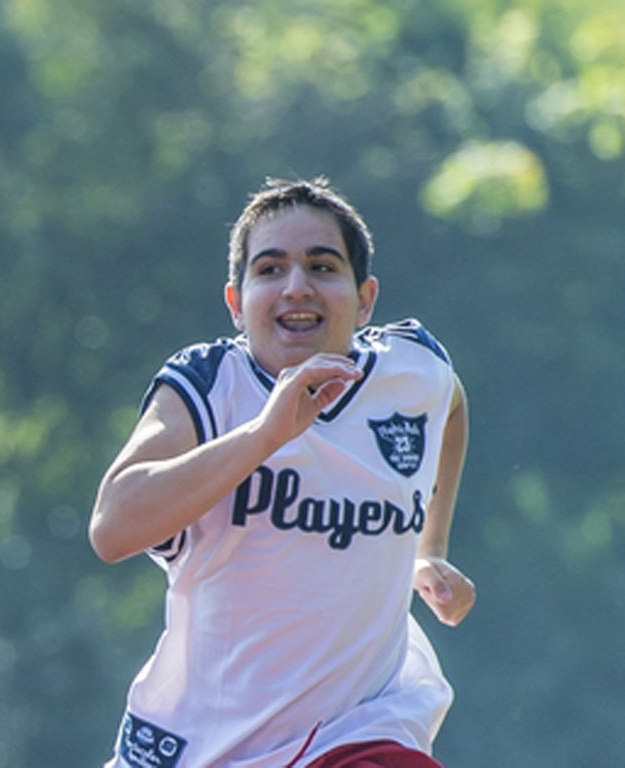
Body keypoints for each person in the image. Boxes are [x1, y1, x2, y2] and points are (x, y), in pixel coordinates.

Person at [88, 178, 477, 768]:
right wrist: (266, 434)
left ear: (365, 297)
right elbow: (112, 526)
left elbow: (450, 406)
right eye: (270, 270)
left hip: (356, 729)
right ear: (235, 304)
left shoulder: (411, 371)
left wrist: (430, 547)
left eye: (322, 267)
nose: (297, 287)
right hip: (203, 746)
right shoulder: (207, 388)